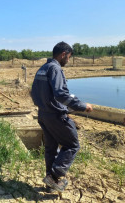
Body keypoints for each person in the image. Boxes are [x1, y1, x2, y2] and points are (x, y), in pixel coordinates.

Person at [31, 42, 93, 193]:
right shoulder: (55, 68)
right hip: (56, 116)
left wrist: (45, 105)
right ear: (64, 54)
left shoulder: (43, 68)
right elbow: (61, 94)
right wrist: (82, 106)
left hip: (43, 114)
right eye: (69, 57)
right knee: (72, 145)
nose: (68, 61)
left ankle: (51, 183)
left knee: (51, 148)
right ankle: (54, 175)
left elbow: (33, 92)